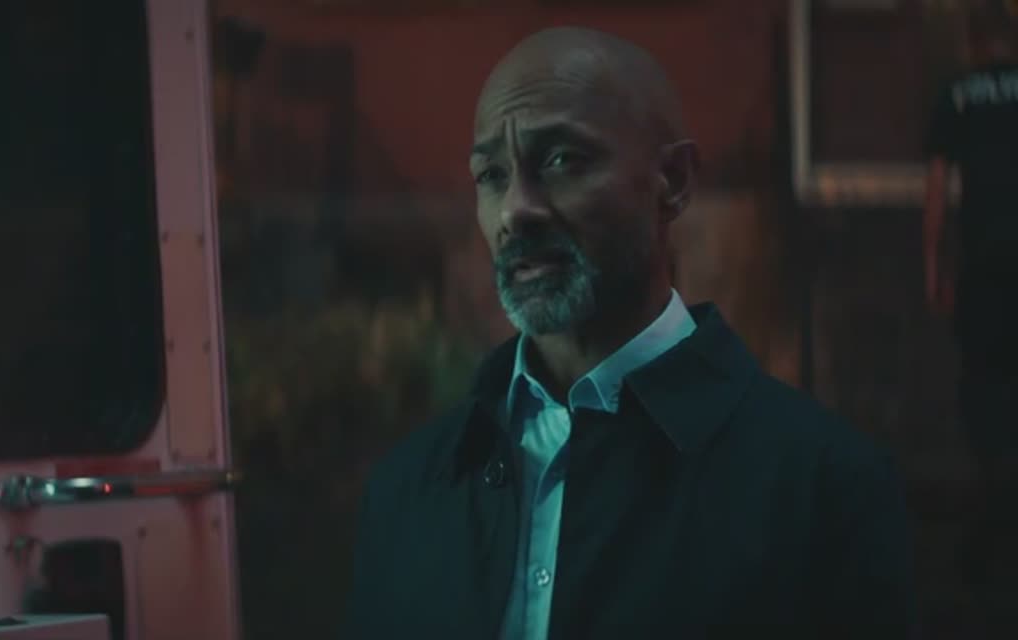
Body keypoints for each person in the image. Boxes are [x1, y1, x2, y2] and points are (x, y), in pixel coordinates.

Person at [345, 27, 914, 639]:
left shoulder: (825, 489)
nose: (515, 209)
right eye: (491, 174)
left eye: (561, 161)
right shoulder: (405, 491)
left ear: (673, 180)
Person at [924, 6, 1018, 633]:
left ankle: (996, 508)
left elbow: (937, 191)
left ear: (974, 41)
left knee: (984, 389)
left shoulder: (956, 95)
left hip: (984, 268)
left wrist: (934, 266)